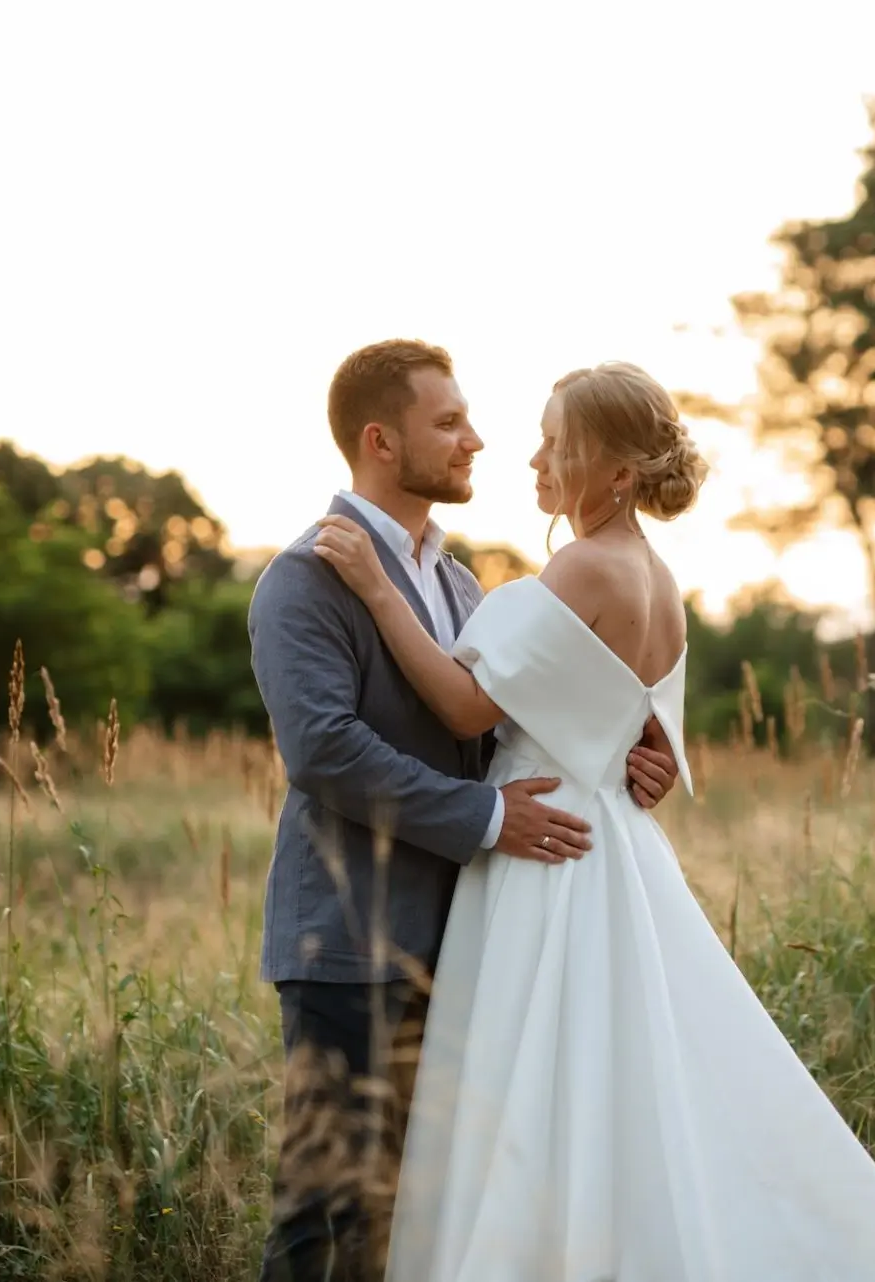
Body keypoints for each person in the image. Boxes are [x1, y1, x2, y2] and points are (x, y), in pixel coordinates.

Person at [311, 360, 875, 1281]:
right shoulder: (660, 581)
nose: (535, 460)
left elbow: (464, 709)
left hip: (545, 845)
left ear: (618, 473)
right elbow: (643, 739)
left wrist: (379, 593)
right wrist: (637, 761)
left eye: (558, 445)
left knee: (540, 1078)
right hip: (614, 838)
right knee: (616, 1078)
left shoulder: (582, 567)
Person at [248, 340, 680, 1282]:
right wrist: (488, 819)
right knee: (327, 1210)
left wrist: (617, 756)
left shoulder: (457, 583)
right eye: (448, 423)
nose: (476, 440)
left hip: (474, 940)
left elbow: (495, 729)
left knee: (424, 1211)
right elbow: (323, 751)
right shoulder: (307, 575)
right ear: (380, 441)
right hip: (353, 939)